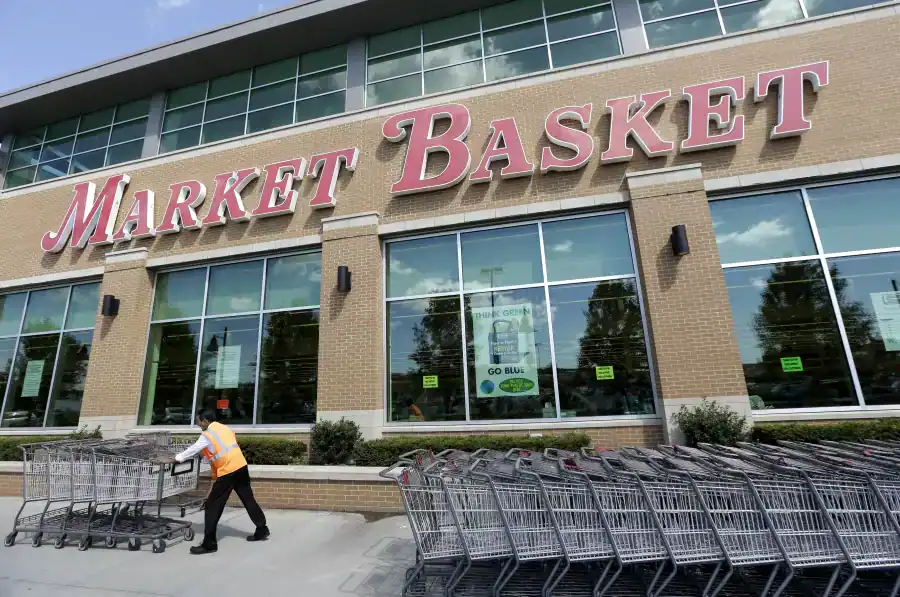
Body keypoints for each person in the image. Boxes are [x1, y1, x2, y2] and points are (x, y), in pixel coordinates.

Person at [172, 409, 269, 554]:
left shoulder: (207, 435)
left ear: (205, 421)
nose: (198, 425)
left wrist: (177, 458)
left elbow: (194, 449)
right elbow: (220, 452)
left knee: (212, 506)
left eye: (198, 422)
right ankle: (262, 529)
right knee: (248, 499)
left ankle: (209, 544)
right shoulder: (224, 428)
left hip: (228, 471)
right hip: (241, 466)